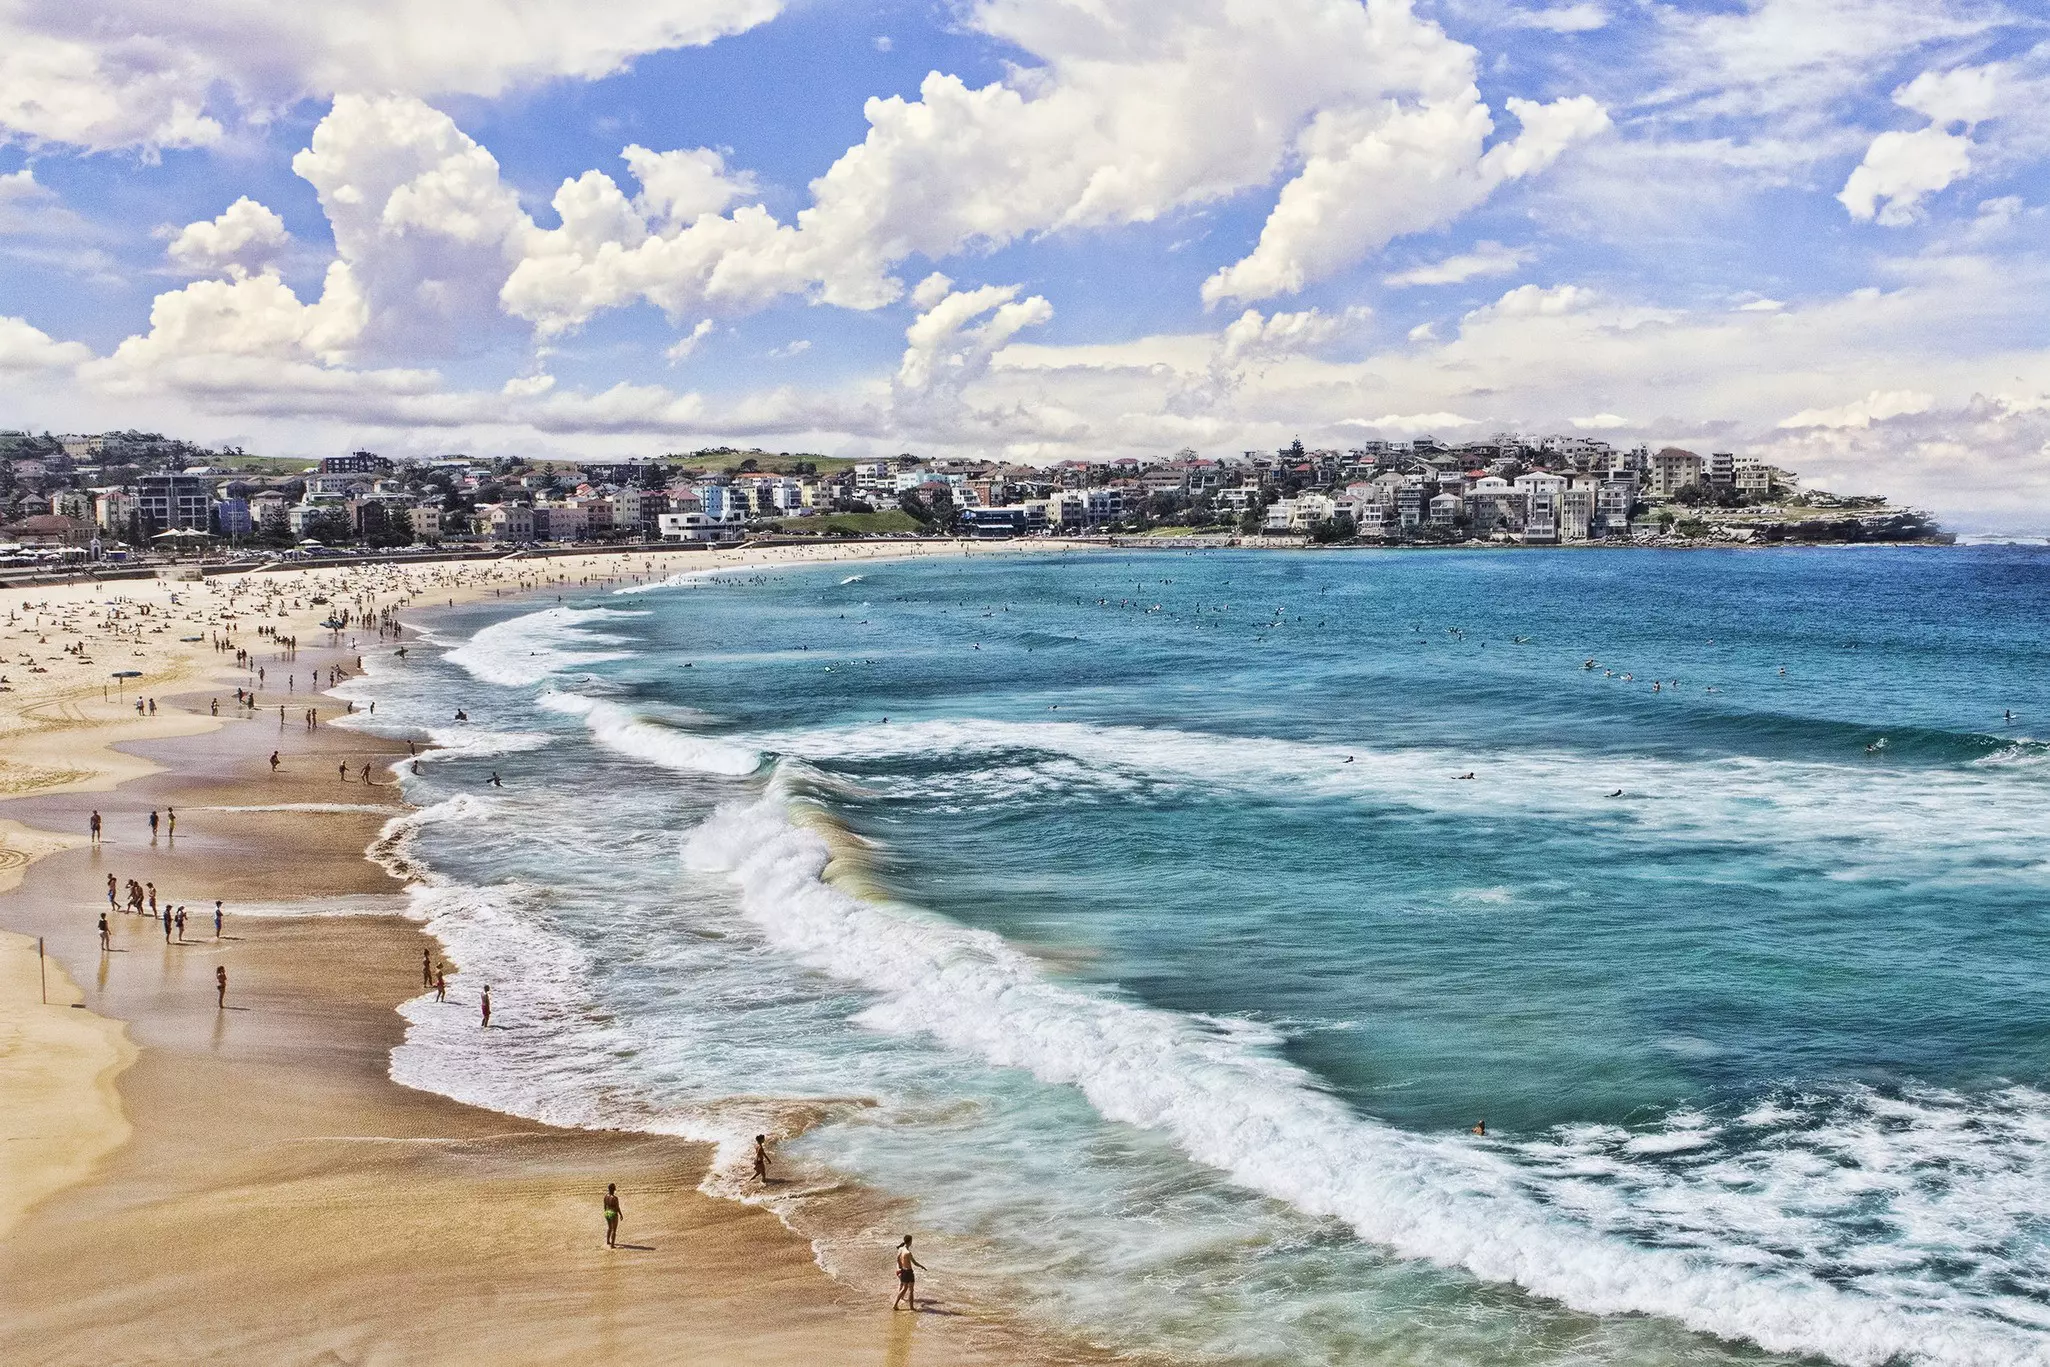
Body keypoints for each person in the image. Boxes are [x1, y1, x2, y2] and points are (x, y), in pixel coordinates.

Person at [893, 1236, 926, 1311]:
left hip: (903, 1271)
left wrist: (901, 1266)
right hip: (909, 1272)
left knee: (904, 1288)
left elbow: (897, 1258)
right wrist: (921, 1266)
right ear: (910, 1242)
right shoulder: (908, 1253)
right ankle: (911, 1307)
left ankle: (895, 1304)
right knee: (911, 1290)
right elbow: (914, 1263)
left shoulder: (901, 1249)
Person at [603, 1184, 622, 1248]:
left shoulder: (606, 1196)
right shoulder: (615, 1198)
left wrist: (606, 1212)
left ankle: (608, 1241)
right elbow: (617, 1208)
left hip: (607, 1212)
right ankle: (612, 1245)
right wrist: (620, 1214)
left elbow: (605, 1206)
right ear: (614, 1189)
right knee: (614, 1230)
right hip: (613, 1213)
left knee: (609, 1228)